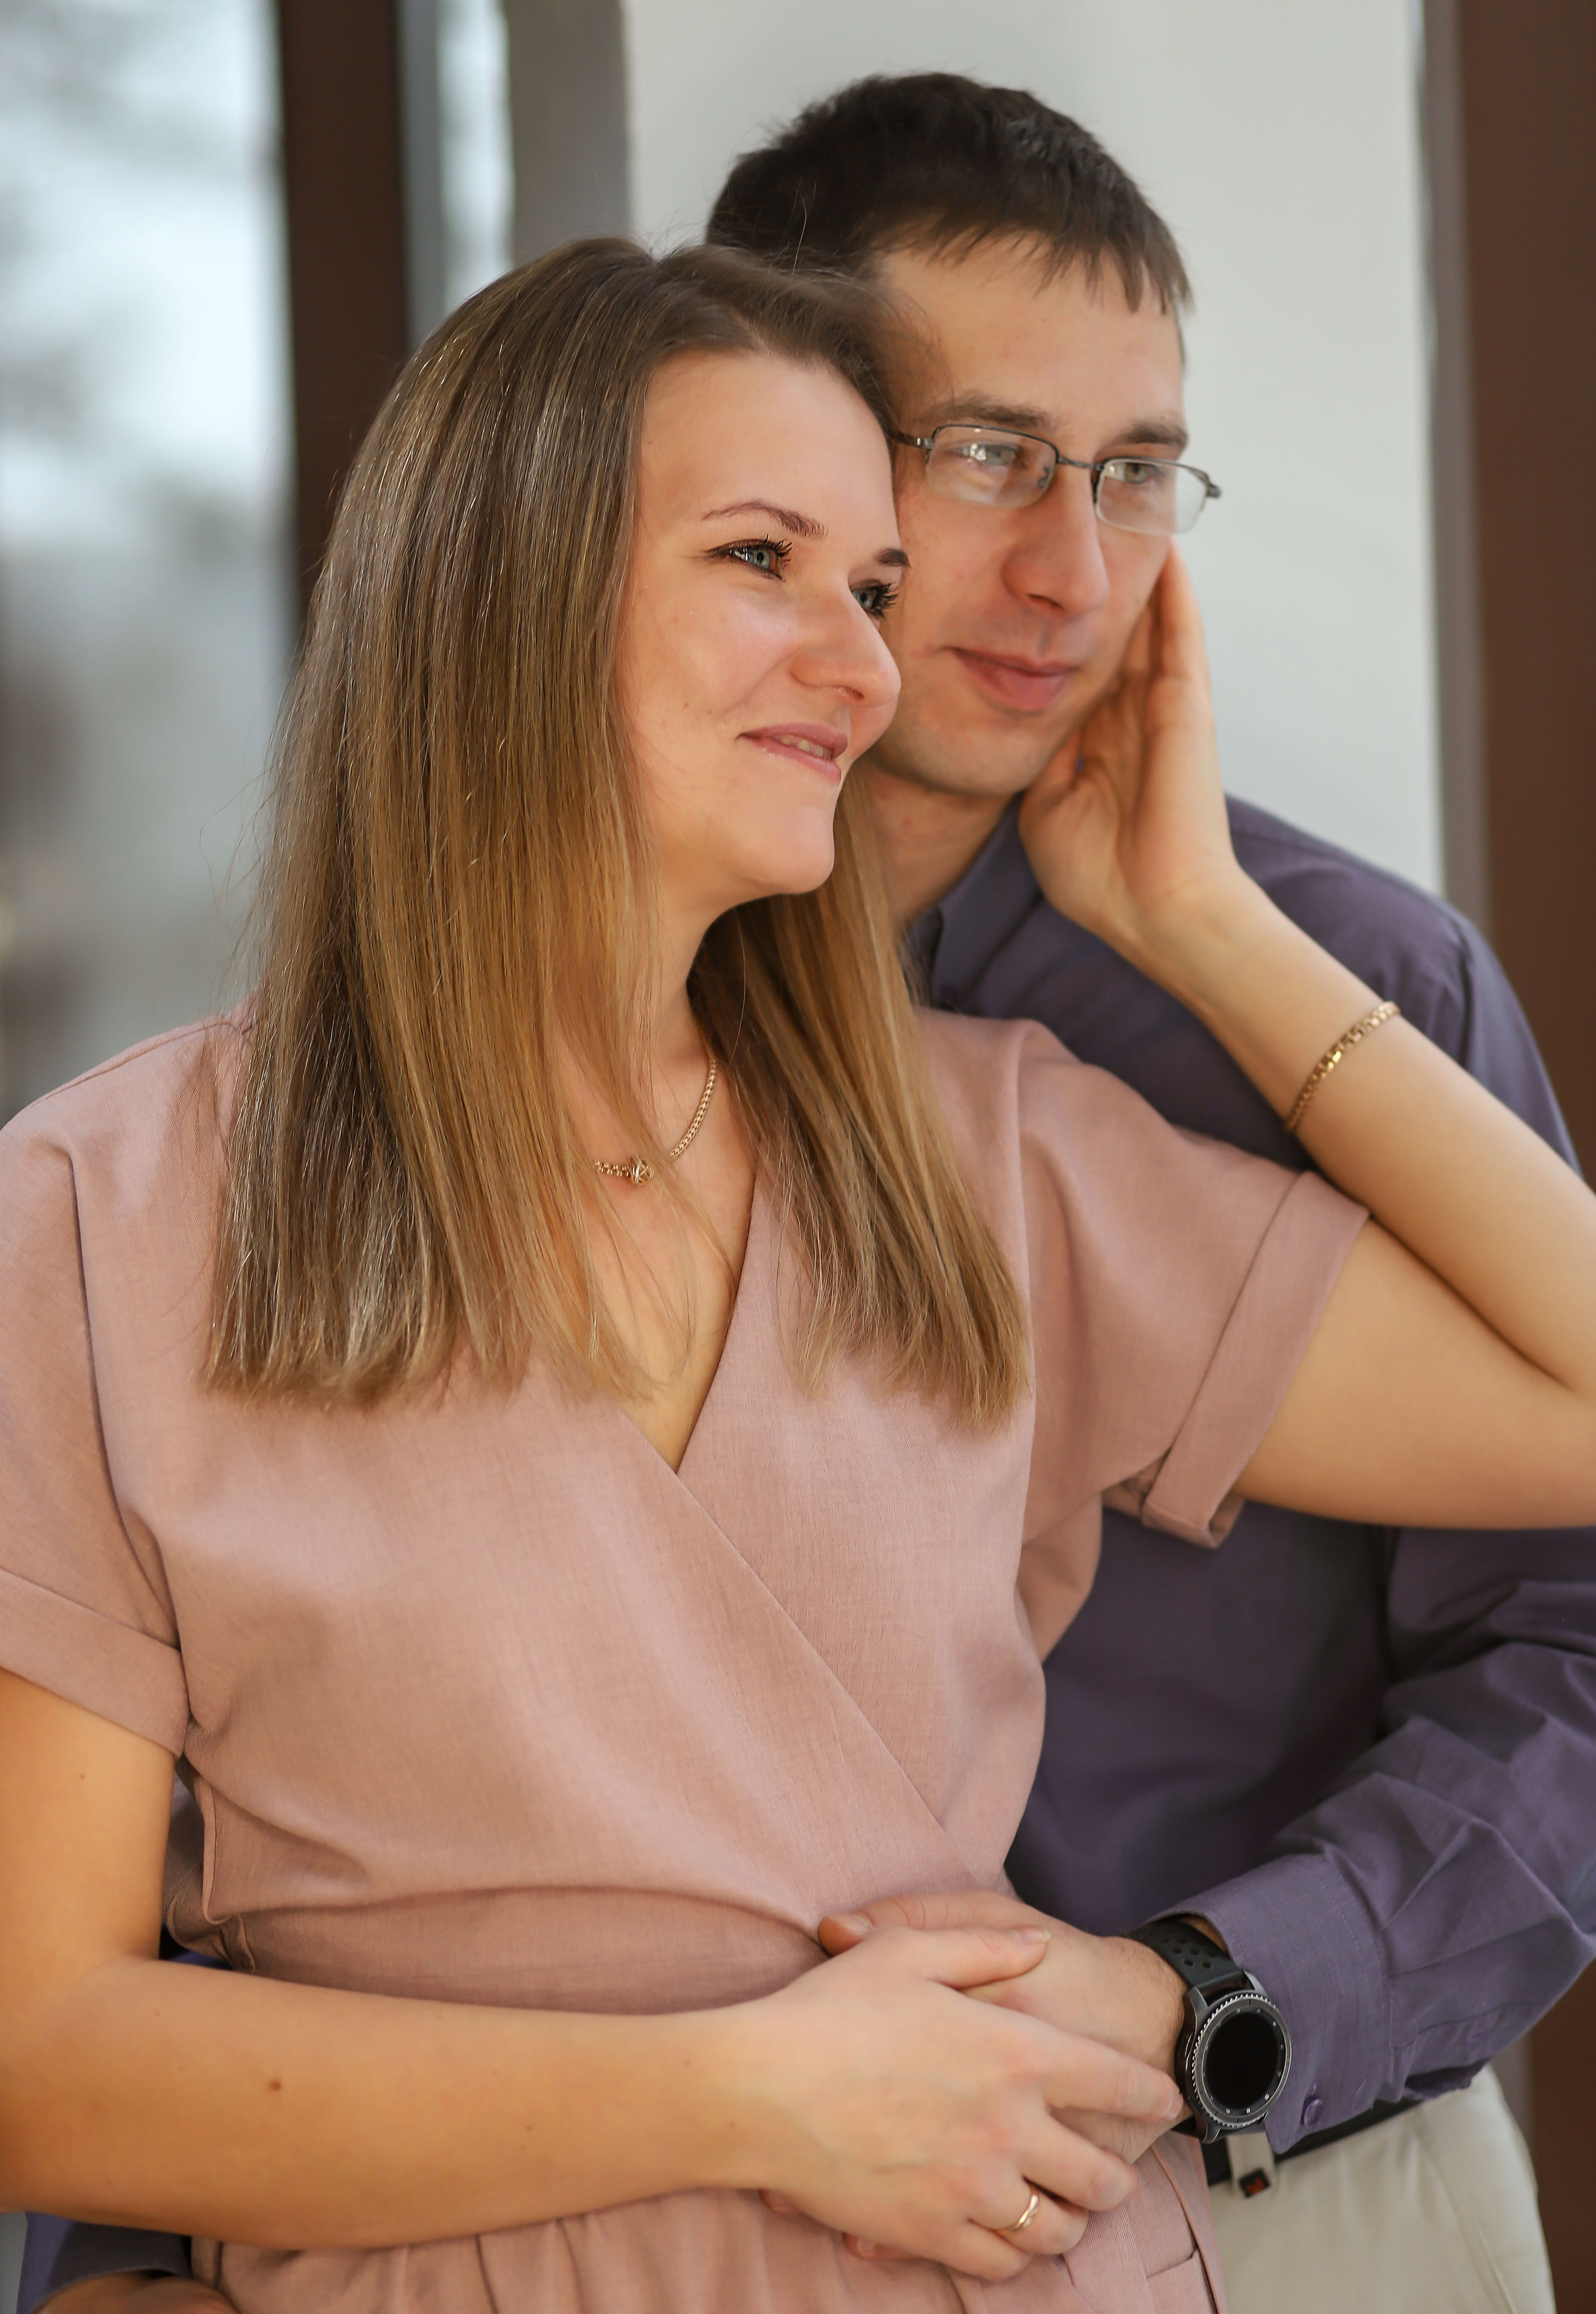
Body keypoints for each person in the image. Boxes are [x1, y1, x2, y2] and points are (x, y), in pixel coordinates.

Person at [17, 72, 1594, 2314]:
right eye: (782, 557)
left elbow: (1575, 1497)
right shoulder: (111, 1206)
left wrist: (1203, 922)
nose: (883, 655)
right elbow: (90, 2003)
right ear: (508, 581)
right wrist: (753, 2094)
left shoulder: (1025, 1134)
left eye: (1135, 473)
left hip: (1148, 2215)